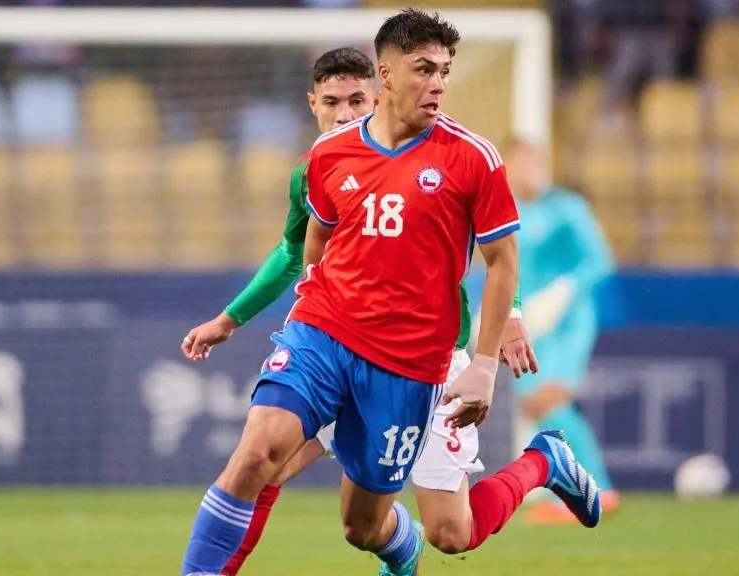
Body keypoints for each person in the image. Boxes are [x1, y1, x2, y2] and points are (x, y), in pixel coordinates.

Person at [178, 12, 601, 576]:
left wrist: (486, 357)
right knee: (260, 454)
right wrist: (264, 315)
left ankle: (541, 463)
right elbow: (309, 249)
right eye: (424, 69)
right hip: (325, 336)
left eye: (444, 72)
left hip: (413, 363)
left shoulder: (472, 158)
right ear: (388, 73)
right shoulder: (325, 160)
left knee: (406, 530)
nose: (437, 83)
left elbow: (502, 257)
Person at [501, 137, 621, 523]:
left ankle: (596, 488)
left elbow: (601, 260)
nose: (527, 169)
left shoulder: (567, 208)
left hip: (568, 320)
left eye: (531, 161)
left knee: (549, 398)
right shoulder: (508, 211)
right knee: (535, 404)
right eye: (518, 163)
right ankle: (575, 491)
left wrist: (564, 290)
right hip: (529, 322)